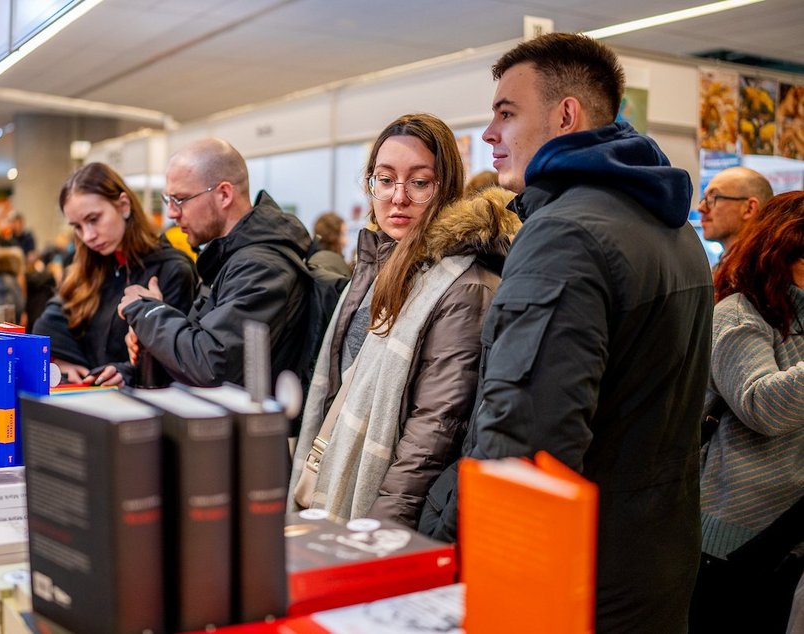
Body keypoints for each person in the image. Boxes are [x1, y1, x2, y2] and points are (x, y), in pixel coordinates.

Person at [417, 33, 713, 633]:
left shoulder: (565, 237)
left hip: (574, 586)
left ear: (566, 114)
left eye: (506, 113)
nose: (489, 135)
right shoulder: (675, 231)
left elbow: (526, 442)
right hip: (657, 564)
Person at [287, 113, 519, 529]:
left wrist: (378, 531)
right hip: (334, 486)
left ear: (445, 188)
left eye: (419, 182)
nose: (398, 196)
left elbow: (433, 431)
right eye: (385, 178)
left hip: (380, 515)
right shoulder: (378, 264)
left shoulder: (464, 285)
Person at [690, 191, 804, 634]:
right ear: (784, 251)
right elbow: (764, 406)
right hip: (735, 539)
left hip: (791, 533)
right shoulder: (739, 313)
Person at [117, 138, 312, 389]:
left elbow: (211, 366)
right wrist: (152, 331)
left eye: (181, 199)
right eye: (169, 201)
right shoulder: (230, 258)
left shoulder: (261, 267)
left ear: (223, 194)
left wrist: (147, 312)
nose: (171, 213)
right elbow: (200, 346)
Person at [33, 162, 196, 386]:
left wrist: (126, 372)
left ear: (124, 205)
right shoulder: (91, 267)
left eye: (93, 219)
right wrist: (63, 360)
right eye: (77, 226)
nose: (88, 236)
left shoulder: (172, 269)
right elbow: (50, 320)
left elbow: (180, 360)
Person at [698, 165, 773, 254]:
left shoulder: (769, 266)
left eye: (713, 198)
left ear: (749, 208)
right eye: (705, 198)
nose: (701, 208)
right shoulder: (726, 264)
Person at [309, 212, 351, 276]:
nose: (346, 241)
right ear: (331, 236)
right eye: (343, 234)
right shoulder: (330, 266)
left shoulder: (313, 261)